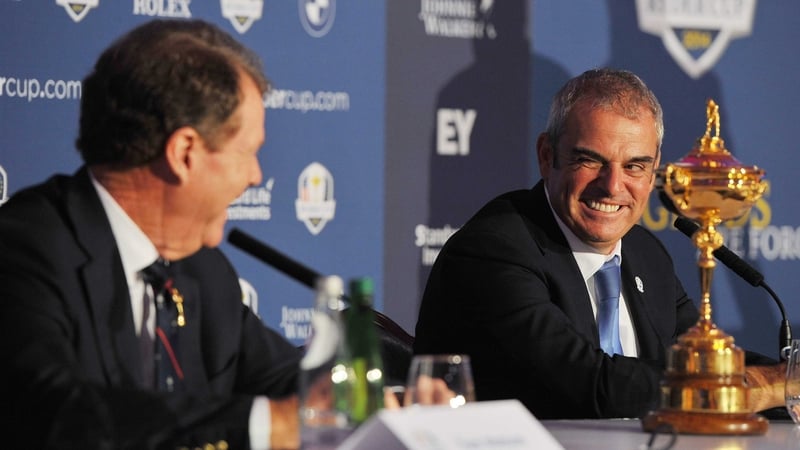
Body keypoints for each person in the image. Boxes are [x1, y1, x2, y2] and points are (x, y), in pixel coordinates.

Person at [413, 68, 786, 419]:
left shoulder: (645, 253)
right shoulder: (494, 250)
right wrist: (767, 385)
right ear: (547, 156)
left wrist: (788, 376)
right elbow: (593, 386)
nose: (612, 186)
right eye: (590, 161)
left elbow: (703, 361)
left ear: (655, 169)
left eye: (635, 166)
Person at [0, 19, 303, 449]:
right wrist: (262, 426)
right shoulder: (25, 249)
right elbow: (53, 413)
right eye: (248, 153)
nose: (256, 177)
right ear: (184, 153)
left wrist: (394, 401)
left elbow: (288, 379)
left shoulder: (203, 270)